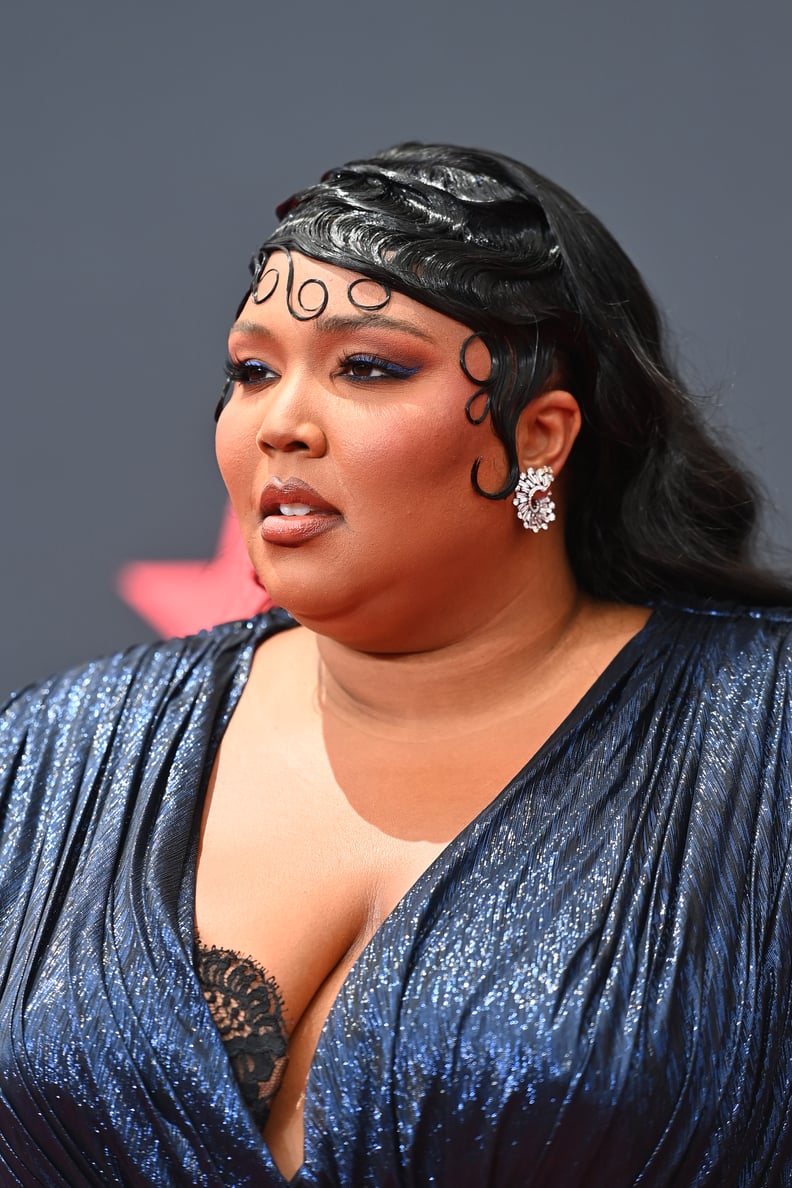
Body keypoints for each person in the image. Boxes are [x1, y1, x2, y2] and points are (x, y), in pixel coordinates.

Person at [1, 142, 791, 1188]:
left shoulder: (763, 738)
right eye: (252, 370)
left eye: (367, 366)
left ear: (540, 437)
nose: (280, 422)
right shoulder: (51, 753)